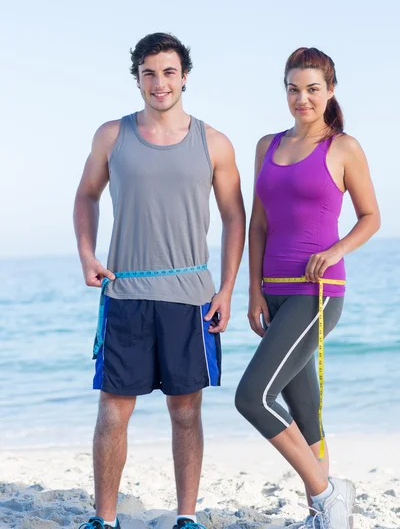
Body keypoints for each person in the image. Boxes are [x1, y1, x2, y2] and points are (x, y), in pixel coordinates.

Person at [73, 32, 246, 529]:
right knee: (112, 414)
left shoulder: (214, 142)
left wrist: (228, 289)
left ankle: (186, 516)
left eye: (169, 72)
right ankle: (103, 520)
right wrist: (88, 254)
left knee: (186, 414)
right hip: (125, 293)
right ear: (138, 79)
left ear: (185, 76)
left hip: (191, 299)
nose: (159, 82)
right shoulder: (113, 135)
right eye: (149, 73)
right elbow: (85, 195)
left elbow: (235, 217)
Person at [235, 47, 380, 529]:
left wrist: (336, 250)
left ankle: (327, 492)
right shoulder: (266, 145)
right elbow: (258, 225)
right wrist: (253, 291)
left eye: (313, 89)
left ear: (330, 90)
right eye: (294, 89)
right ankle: (325, 517)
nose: (303, 98)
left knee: (252, 397)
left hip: (315, 294)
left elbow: (370, 217)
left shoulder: (343, 147)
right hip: (273, 293)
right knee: (305, 412)